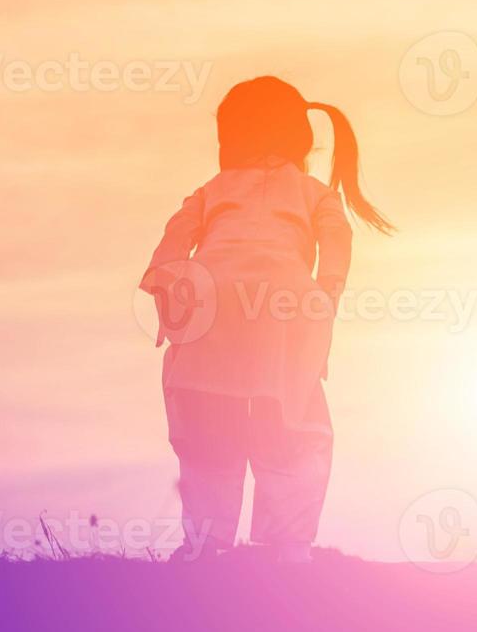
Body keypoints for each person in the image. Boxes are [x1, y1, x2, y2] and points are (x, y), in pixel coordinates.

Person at [140, 76, 393, 563]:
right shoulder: (313, 191)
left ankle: (204, 541)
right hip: (287, 306)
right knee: (293, 425)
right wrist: (326, 297)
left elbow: (175, 239)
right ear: (300, 137)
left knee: (209, 423)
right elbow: (337, 240)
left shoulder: (211, 190)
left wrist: (169, 293)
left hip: (208, 303)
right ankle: (289, 546)